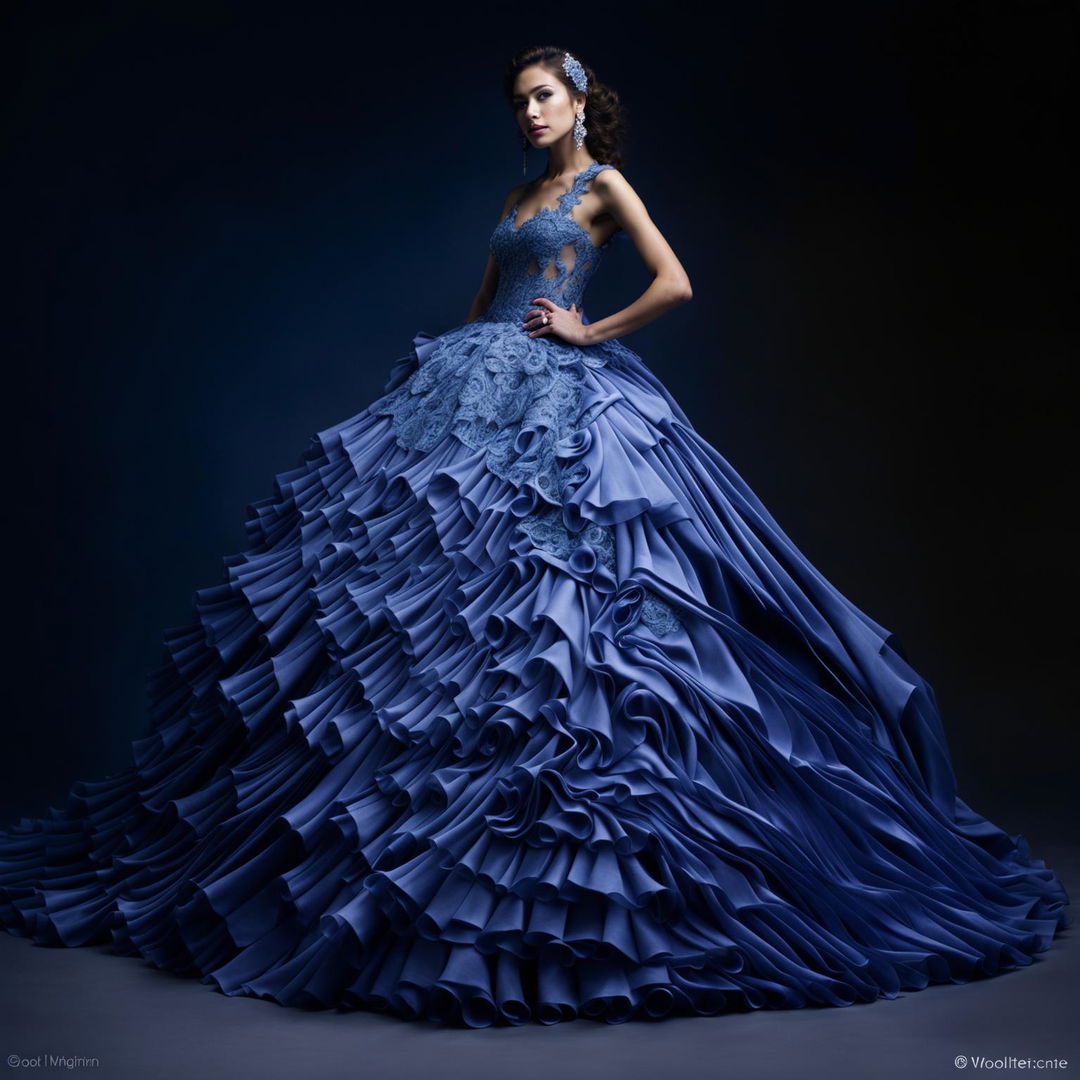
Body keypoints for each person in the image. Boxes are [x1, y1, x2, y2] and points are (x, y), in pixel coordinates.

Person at [0, 44, 1068, 1029]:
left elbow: (675, 282)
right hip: (473, 388)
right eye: (516, 101)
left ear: (578, 101)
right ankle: (385, 843)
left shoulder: (604, 188)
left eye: (541, 96)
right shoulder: (519, 197)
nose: (527, 112)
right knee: (410, 606)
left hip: (569, 401)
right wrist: (448, 371)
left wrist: (587, 333)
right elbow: (487, 300)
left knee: (572, 604)